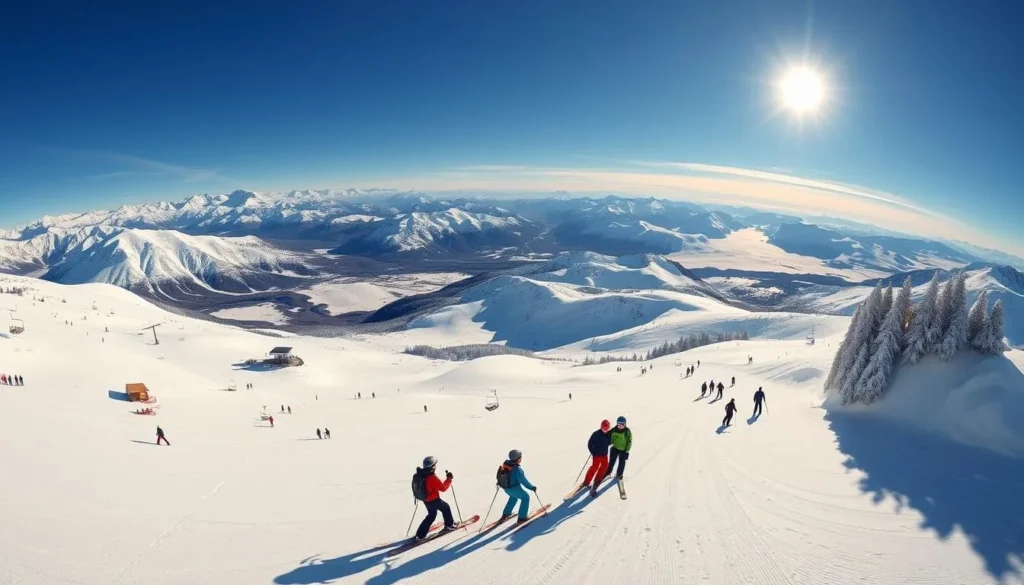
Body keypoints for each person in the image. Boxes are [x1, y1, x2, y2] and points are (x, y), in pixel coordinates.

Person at [412, 456, 456, 540]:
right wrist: (449, 479)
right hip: (433, 499)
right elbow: (443, 488)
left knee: (431, 515)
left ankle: (420, 535)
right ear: (433, 467)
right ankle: (449, 525)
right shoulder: (432, 477)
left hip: (425, 499)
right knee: (446, 508)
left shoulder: (420, 474)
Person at [497, 449, 537, 524]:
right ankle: (522, 518)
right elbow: (524, 481)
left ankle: (506, 514)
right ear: (518, 458)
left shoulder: (505, 465)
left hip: (506, 488)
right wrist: (532, 487)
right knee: (525, 498)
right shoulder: (517, 469)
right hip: (514, 488)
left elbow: (499, 475)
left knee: (513, 497)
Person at [584, 420, 612, 495]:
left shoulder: (609, 434)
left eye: (607, 429)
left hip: (604, 455)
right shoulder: (596, 434)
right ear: (601, 427)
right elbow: (590, 444)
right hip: (597, 455)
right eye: (604, 428)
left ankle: (597, 481)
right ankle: (586, 482)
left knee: (604, 467)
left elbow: (609, 442)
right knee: (594, 467)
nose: (605, 430)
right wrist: (593, 452)